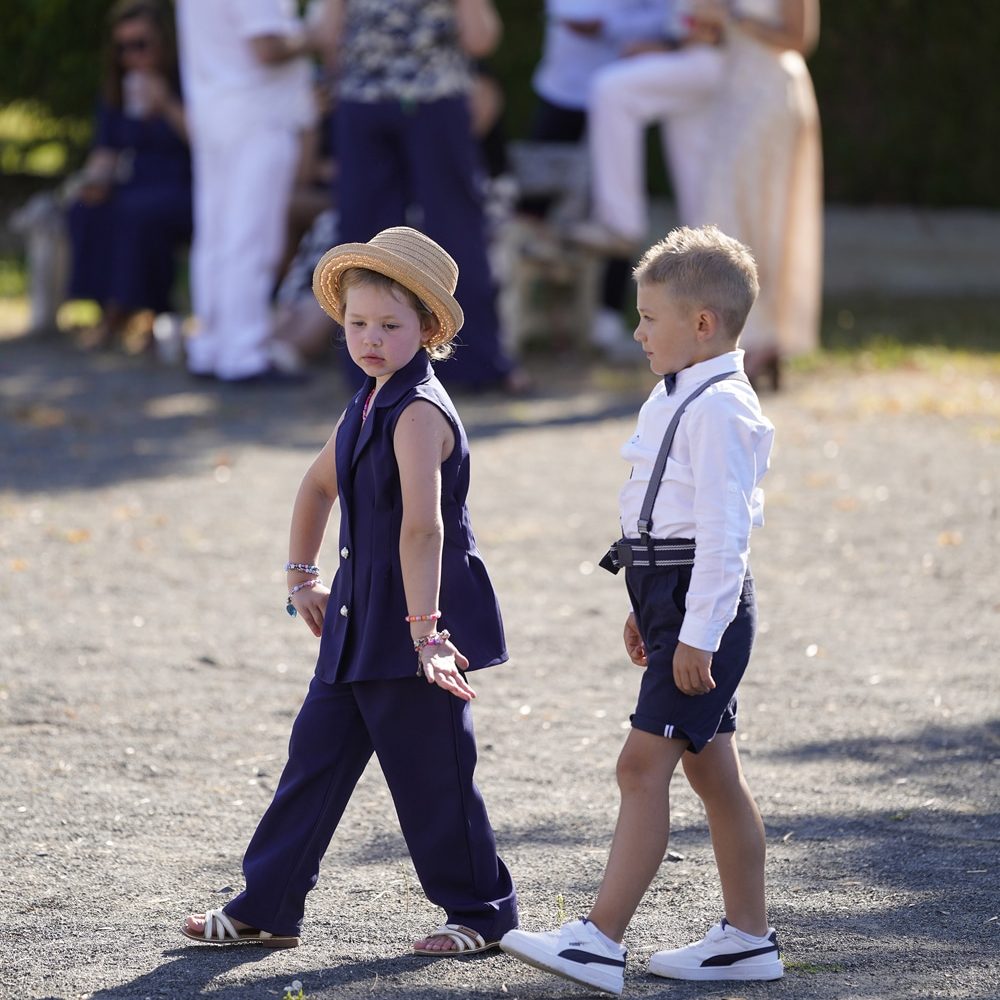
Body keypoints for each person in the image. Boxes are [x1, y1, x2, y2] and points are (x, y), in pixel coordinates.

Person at [181, 226, 518, 955]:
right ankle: (267, 906)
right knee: (313, 764)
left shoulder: (421, 411)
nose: (370, 338)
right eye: (357, 324)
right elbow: (318, 485)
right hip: (356, 622)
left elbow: (424, 530)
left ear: (428, 329)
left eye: (390, 327)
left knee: (435, 777)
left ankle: (484, 915)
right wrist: (300, 576)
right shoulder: (366, 402)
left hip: (418, 627)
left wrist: (428, 635)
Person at [500, 225, 780, 993]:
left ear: (702, 324)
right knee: (713, 774)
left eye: (649, 317)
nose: (636, 330)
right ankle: (748, 940)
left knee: (639, 766)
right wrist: (649, 610)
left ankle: (598, 940)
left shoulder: (722, 407)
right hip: (671, 601)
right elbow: (670, 517)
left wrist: (697, 632)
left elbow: (725, 539)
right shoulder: (684, 393)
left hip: (702, 606)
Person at [316, 0, 527, 394]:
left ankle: (369, 365)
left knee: (381, 236)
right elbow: (480, 39)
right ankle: (475, 363)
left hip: (377, 101)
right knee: (445, 231)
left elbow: (327, 36)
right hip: (428, 99)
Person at [174, 0, 319, 383]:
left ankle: (211, 346)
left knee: (216, 237)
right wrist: (314, 36)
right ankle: (243, 353)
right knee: (251, 239)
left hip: (214, 112)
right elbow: (267, 47)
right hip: (257, 116)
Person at [518, 0, 666, 357]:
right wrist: (631, 29)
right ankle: (518, 316)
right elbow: (577, 18)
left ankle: (608, 320)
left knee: (619, 205)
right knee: (529, 207)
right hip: (564, 93)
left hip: (625, 99)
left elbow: (666, 20)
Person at [693, 0, 823, 389]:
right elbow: (717, 37)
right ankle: (733, 339)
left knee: (767, 215)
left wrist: (733, 17)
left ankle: (765, 339)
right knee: (724, 209)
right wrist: (706, 26)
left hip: (772, 94)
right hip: (734, 92)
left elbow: (799, 39)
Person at [66, 0, 191, 350]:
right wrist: (95, 181)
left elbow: (206, 142)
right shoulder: (116, 91)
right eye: (123, 48)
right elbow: (104, 151)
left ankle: (133, 313)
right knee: (86, 209)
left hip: (185, 184)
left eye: (140, 44)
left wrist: (165, 104)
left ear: (163, 42)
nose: (131, 55)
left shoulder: (188, 81)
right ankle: (104, 306)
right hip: (134, 183)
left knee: (138, 214)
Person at [570, 1, 726, 255]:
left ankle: (619, 223)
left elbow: (715, 29)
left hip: (715, 64)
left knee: (611, 89)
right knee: (696, 178)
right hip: (699, 62)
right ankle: (712, 259)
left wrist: (664, 49)